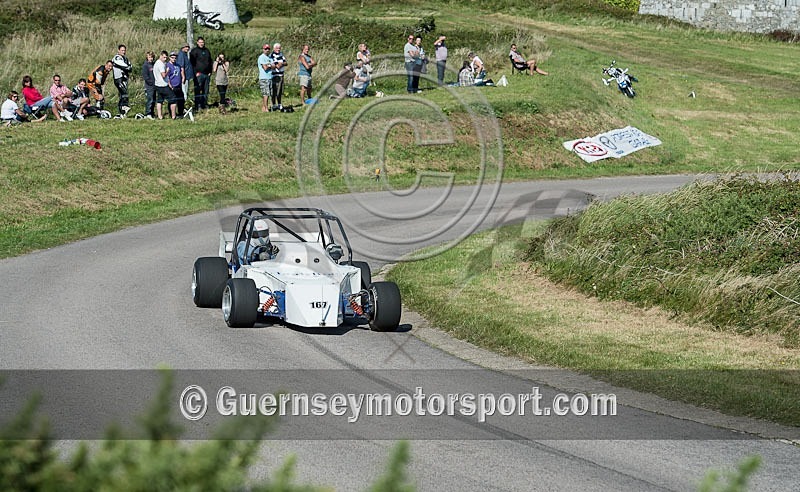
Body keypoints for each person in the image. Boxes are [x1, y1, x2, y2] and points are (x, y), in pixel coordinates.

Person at [190, 37, 212, 110]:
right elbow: (192, 63)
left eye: (202, 42)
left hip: (207, 74)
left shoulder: (207, 50)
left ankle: (204, 104)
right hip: (198, 74)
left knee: (205, 90)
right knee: (198, 90)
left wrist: (210, 71)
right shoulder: (194, 51)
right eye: (200, 42)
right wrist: (195, 73)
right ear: (197, 42)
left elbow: (210, 61)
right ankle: (198, 105)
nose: (201, 44)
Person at [153, 51, 175, 120]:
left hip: (157, 84)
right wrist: (167, 71)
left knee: (160, 100)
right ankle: (173, 116)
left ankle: (160, 116)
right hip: (163, 85)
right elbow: (163, 75)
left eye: (166, 58)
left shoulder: (156, 63)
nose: (165, 59)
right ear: (160, 56)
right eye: (164, 57)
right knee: (173, 99)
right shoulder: (160, 64)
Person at [112, 44, 132, 115]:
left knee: (122, 95)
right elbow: (123, 65)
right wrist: (127, 67)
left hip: (124, 79)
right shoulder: (117, 57)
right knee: (124, 93)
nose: (123, 52)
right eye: (122, 50)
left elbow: (130, 67)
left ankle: (122, 113)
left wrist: (128, 67)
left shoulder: (125, 58)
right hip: (118, 78)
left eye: (124, 50)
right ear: (118, 50)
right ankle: (124, 107)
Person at [175, 42, 193, 113]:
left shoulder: (185, 54)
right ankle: (182, 108)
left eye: (188, 47)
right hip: (184, 77)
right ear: (182, 47)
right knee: (184, 93)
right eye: (186, 47)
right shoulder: (181, 55)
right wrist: (183, 76)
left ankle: (184, 107)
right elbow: (181, 67)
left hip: (187, 76)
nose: (187, 48)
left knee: (185, 92)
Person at [269, 43, 286, 110]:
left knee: (280, 91)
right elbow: (277, 66)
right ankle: (274, 104)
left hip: (281, 75)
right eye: (277, 48)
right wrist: (281, 63)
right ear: (274, 48)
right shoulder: (272, 55)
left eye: (279, 48)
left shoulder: (281, 54)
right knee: (274, 90)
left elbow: (286, 63)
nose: (278, 49)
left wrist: (281, 63)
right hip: (275, 75)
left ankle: (279, 103)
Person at [167, 52, 184, 118]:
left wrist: (183, 77)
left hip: (178, 85)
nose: (174, 59)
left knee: (181, 100)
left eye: (175, 58)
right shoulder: (168, 65)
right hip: (172, 85)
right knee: (172, 101)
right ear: (169, 58)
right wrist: (169, 84)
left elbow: (181, 71)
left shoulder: (177, 65)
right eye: (172, 58)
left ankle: (180, 113)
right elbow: (167, 76)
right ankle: (171, 114)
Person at [257, 44, 273, 112]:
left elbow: (274, 66)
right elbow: (265, 68)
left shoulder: (270, 58)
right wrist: (269, 65)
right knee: (265, 94)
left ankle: (264, 107)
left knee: (268, 93)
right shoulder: (261, 57)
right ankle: (266, 108)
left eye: (268, 49)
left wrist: (269, 65)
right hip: (264, 78)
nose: (267, 50)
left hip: (270, 77)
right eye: (266, 49)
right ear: (263, 49)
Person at [141, 51, 156, 119]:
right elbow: (145, 76)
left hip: (155, 85)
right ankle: (148, 113)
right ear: (147, 57)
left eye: (152, 57)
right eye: (149, 57)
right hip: (149, 86)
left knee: (154, 99)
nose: (151, 59)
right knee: (150, 99)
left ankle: (152, 113)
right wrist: (151, 83)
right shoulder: (145, 65)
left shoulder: (154, 64)